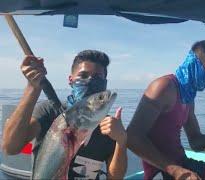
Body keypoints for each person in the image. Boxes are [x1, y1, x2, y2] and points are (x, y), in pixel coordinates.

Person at [127, 40, 205, 180]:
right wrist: (175, 171)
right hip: (161, 171)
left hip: (182, 164)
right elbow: (132, 137)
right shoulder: (163, 87)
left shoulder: (188, 96)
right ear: (194, 63)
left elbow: (196, 142)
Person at [2, 50, 127, 179]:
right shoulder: (50, 111)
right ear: (70, 80)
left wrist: (121, 141)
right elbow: (10, 148)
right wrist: (32, 88)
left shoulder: (111, 128)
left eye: (97, 77)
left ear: (105, 82)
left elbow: (115, 178)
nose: (90, 80)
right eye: (83, 75)